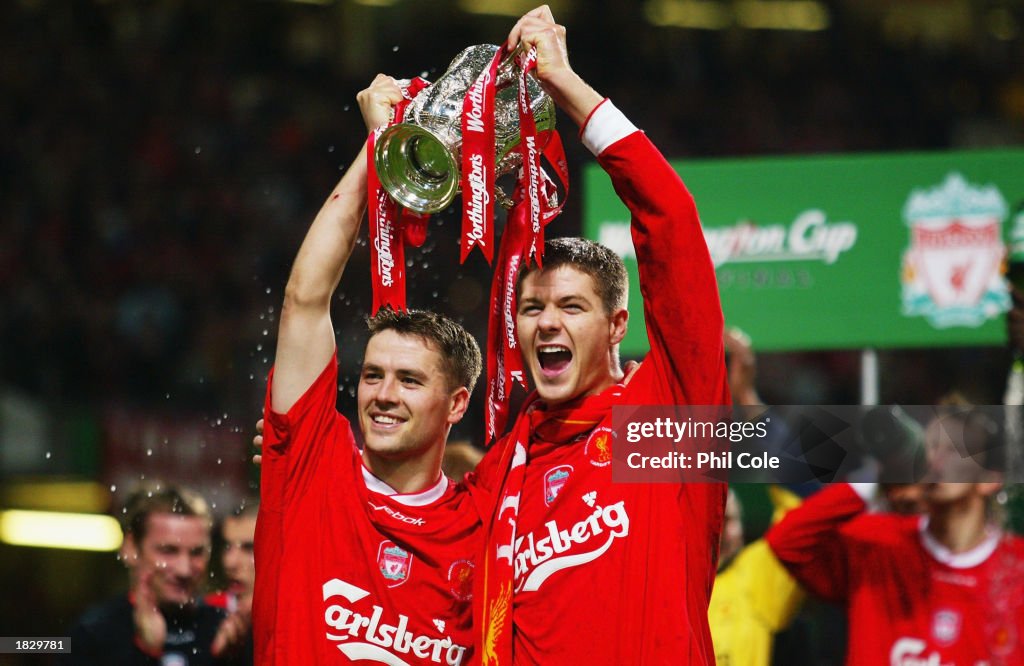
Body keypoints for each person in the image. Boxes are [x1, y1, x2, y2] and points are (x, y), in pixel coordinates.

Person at [457, 7, 731, 663]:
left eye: (571, 306)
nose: (547, 321)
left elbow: (672, 222)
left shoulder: (666, 424)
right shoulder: (503, 471)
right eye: (532, 307)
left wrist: (566, 86)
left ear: (617, 326)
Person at [252, 77, 483, 665]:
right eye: (374, 374)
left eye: (410, 380)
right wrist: (379, 145)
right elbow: (305, 298)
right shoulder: (311, 469)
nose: (382, 395)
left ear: (457, 404)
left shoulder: (481, 523)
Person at [766, 402, 1024, 665]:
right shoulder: (880, 543)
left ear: (989, 480)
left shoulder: (1016, 568)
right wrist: (875, 479)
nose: (934, 459)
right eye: (930, 447)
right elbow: (786, 542)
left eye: (954, 449)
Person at [63, 482, 247, 665]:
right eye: (168, 551)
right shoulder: (91, 634)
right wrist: (146, 653)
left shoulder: (228, 632)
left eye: (196, 552)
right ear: (131, 548)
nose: (184, 569)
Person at [708, 328, 806, 666]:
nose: (720, 531)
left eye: (729, 519)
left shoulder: (756, 575)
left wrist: (746, 395)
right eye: (712, 519)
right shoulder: (664, 577)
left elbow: (803, 499)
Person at [205, 499, 258, 664]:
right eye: (227, 547)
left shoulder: (307, 619)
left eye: (249, 548)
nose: (230, 562)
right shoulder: (206, 614)